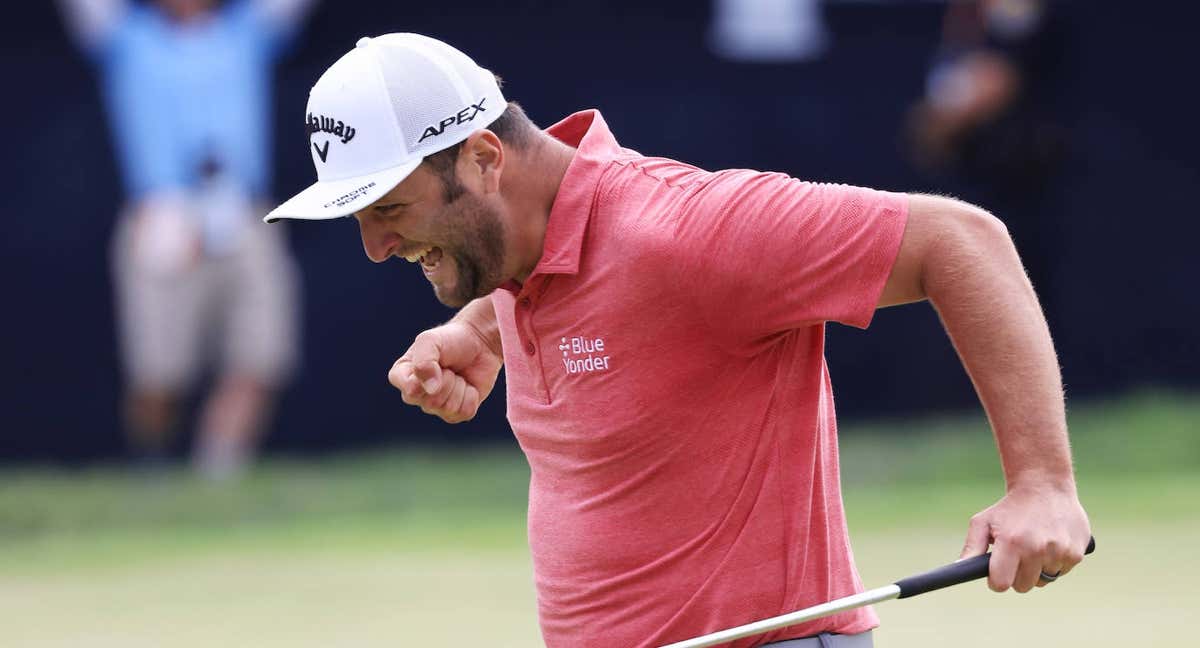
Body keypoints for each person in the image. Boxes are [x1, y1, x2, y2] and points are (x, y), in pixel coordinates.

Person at [265, 34, 1092, 648]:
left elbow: (962, 242)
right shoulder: (516, 261)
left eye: (389, 210)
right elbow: (599, 298)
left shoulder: (687, 229)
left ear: (484, 158)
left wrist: (1043, 482)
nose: (374, 247)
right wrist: (477, 324)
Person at [58, 0, 316, 479]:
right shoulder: (126, 38)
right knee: (160, 372)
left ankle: (217, 477)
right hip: (163, 216)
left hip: (242, 211)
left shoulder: (246, 32)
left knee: (261, 353)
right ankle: (152, 469)